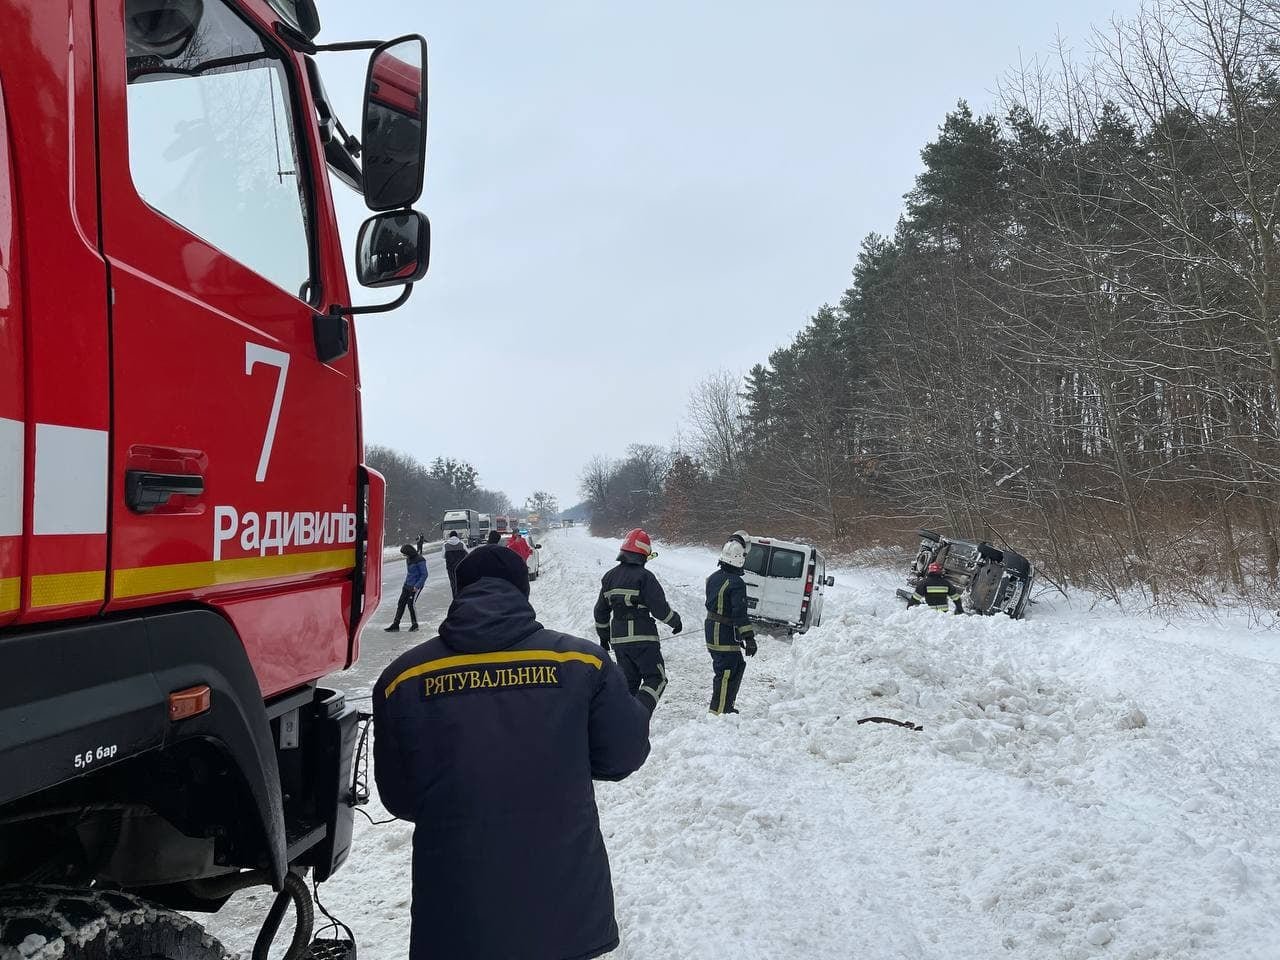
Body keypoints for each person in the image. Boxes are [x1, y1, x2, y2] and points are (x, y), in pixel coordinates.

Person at [373, 546, 651, 960]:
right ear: (523, 593)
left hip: (455, 917)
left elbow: (400, 797)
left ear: (458, 590)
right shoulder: (581, 663)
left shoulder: (404, 678)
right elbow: (623, 756)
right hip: (564, 912)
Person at [592, 528, 682, 713]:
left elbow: (600, 611)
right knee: (656, 679)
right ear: (643, 554)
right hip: (643, 638)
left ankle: (622, 721)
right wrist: (675, 621)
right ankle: (639, 716)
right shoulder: (645, 577)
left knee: (629, 683)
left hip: (619, 640)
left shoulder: (609, 577)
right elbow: (659, 608)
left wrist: (603, 637)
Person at [704, 538, 756, 714]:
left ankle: (727, 706)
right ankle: (719, 712)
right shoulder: (736, 582)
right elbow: (739, 613)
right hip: (722, 634)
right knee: (727, 672)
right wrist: (749, 638)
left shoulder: (713, 577)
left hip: (713, 631)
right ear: (739, 559)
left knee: (737, 665)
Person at [385, 541, 428, 632]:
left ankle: (415, 624)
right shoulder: (408, 559)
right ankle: (396, 624)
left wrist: (417, 586)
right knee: (401, 603)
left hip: (415, 586)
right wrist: (406, 583)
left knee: (411, 604)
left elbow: (424, 574)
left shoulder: (420, 559)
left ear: (409, 552)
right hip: (407, 585)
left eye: (405, 554)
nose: (405, 556)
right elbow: (410, 573)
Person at [442, 530, 468, 597]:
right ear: (457, 536)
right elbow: (467, 553)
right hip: (461, 566)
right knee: (461, 582)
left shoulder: (445, 545)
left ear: (450, 536)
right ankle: (462, 596)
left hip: (450, 567)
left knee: (453, 583)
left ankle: (455, 597)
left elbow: (443, 556)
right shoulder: (462, 544)